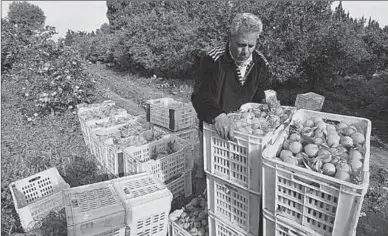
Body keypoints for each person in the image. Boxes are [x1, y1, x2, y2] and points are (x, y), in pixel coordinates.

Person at [191, 13, 273, 179]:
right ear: (230, 38)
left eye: (251, 45)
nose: (246, 51)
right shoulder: (214, 60)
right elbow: (200, 95)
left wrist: (267, 101)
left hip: (244, 132)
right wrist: (217, 115)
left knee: (238, 176)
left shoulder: (260, 62)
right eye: (241, 45)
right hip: (214, 129)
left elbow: (261, 93)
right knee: (210, 174)